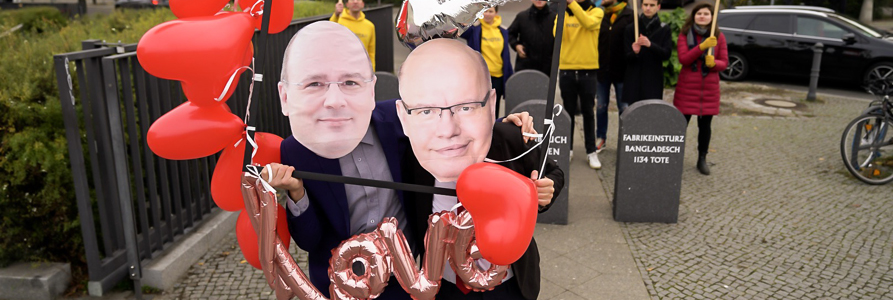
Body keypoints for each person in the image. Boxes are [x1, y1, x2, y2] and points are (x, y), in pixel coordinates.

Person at [266, 22, 536, 299]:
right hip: (342, 283)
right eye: (315, 84)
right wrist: (296, 194)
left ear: (370, 89)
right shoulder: (296, 150)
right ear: (286, 96)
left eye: (350, 82)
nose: (335, 100)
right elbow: (309, 240)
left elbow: (448, 115)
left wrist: (508, 124)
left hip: (405, 277)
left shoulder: (394, 122)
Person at [396, 38, 564, 300]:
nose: (449, 130)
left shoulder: (508, 139)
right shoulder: (412, 153)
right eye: (427, 110)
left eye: (466, 107)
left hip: (508, 282)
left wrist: (545, 192)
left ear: (491, 103)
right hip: (445, 284)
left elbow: (551, 172)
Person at [672, 3, 727, 175]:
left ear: (712, 17)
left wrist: (714, 63)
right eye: (699, 13)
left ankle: (702, 158)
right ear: (693, 16)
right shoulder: (684, 35)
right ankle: (673, 157)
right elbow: (684, 59)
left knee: (705, 126)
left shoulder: (719, 36)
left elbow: (724, 62)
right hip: (687, 88)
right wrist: (701, 47)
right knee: (680, 125)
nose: (702, 16)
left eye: (706, 14)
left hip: (708, 89)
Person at [554, 0, 603, 169]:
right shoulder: (565, 11)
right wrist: (563, 11)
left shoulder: (596, 12)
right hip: (567, 69)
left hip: (588, 70)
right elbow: (556, 34)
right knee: (568, 112)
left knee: (589, 112)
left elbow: (588, 24)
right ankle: (567, 149)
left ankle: (591, 152)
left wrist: (572, 5)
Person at [595, 0, 633, 154]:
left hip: (622, 71)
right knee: (601, 106)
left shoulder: (629, 15)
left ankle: (625, 141)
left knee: (624, 108)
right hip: (602, 69)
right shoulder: (599, 14)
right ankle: (601, 137)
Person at [461, 6, 514, 116]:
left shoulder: (503, 31)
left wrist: (509, 77)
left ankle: (494, 132)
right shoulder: (474, 30)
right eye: (485, 11)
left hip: (498, 77)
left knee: (494, 109)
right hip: (482, 78)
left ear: (496, 13)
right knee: (479, 109)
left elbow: (506, 56)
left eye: (491, 11)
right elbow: (459, 28)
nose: (488, 14)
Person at [622, 0, 671, 104]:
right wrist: (634, 52)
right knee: (634, 113)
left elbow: (666, 54)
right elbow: (625, 57)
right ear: (642, 6)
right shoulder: (631, 28)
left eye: (652, 5)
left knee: (651, 113)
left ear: (658, 7)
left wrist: (650, 45)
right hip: (634, 80)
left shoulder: (664, 29)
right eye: (645, 5)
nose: (648, 8)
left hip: (653, 79)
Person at [507, 0, 557, 76]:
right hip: (525, 65)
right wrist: (516, 45)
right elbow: (510, 33)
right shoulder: (522, 17)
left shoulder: (555, 18)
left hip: (547, 67)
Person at [332, 0, 376, 70]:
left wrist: (372, 71)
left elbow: (371, 52)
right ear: (347, 4)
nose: (355, 1)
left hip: (362, 70)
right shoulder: (339, 21)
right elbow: (329, 32)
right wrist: (336, 14)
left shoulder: (370, 26)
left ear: (363, 4)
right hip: (342, 69)